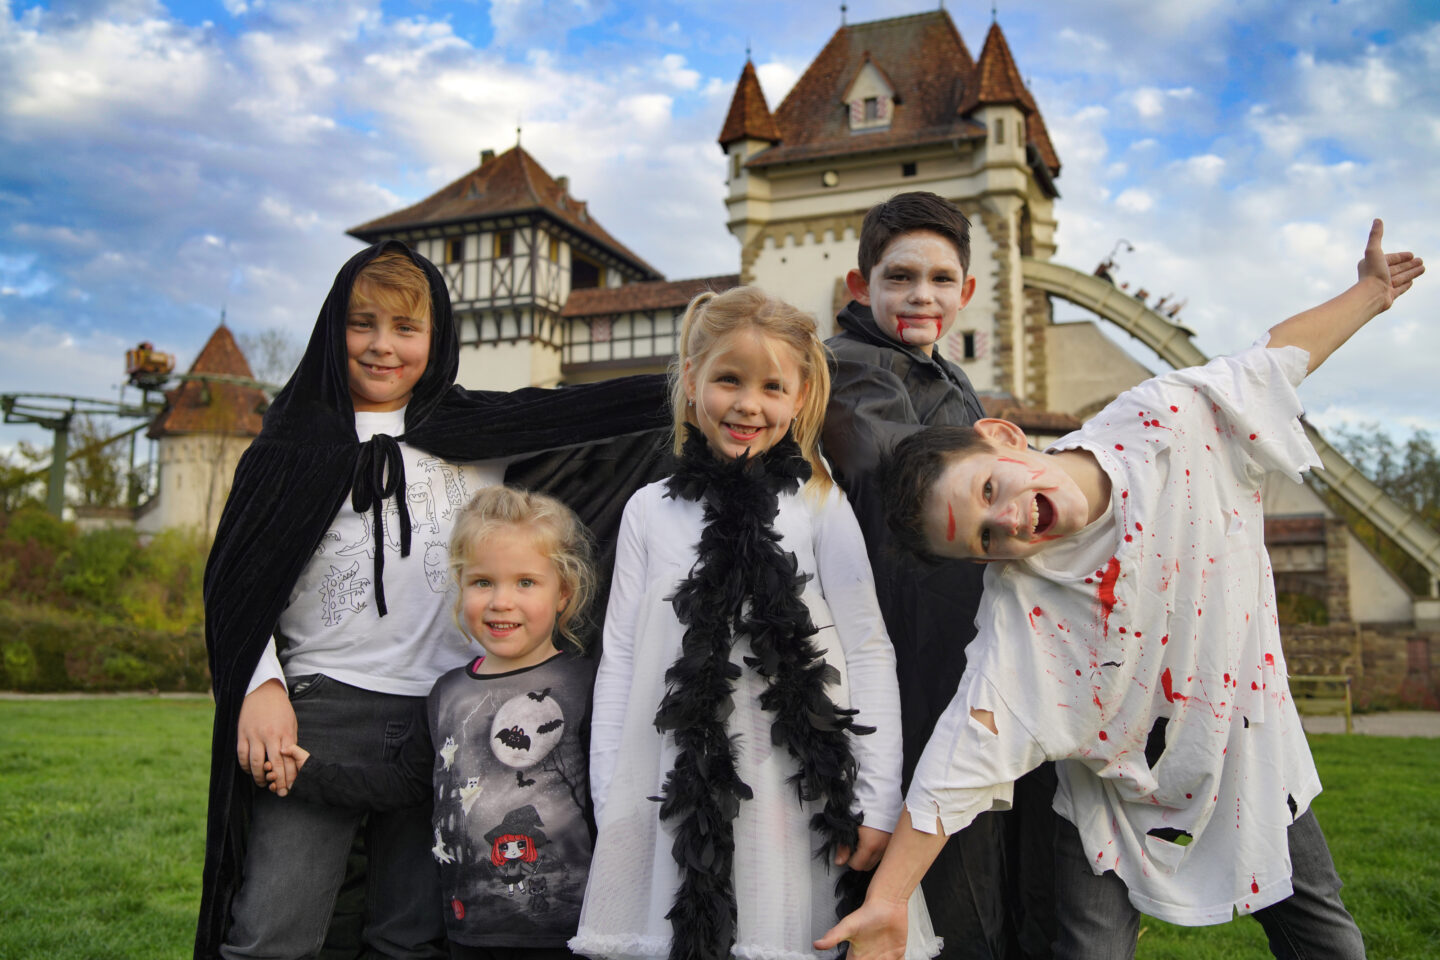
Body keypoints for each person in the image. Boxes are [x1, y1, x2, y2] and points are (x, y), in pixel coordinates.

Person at [816, 220, 1424, 960]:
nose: (1008, 522)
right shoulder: (1022, 612)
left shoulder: (1164, 427)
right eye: (984, 540)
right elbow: (955, 764)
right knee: (1091, 950)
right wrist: (887, 901)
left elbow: (1274, 360)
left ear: (1004, 437)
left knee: (1326, 938)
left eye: (990, 490)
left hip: (1243, 747)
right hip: (1108, 797)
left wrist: (1369, 293)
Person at [197, 240, 670, 959]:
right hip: (318, 711)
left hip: (452, 714)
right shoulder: (289, 449)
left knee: (413, 934)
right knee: (273, 931)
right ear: (332, 329)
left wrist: (708, 378)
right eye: (362, 324)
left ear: (437, 335)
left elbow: (604, 414)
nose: (382, 346)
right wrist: (260, 688)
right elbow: (236, 583)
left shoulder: (480, 434)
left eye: (406, 328)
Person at [570, 286, 940, 960]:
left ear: (800, 399)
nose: (748, 404)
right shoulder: (648, 510)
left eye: (773, 387)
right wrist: (612, 801)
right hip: (675, 794)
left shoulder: (819, 504)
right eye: (729, 380)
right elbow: (620, 658)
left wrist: (879, 800)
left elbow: (867, 647)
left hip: (798, 799)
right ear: (691, 381)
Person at [823, 190, 1052, 958]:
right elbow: (903, 475)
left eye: (940, 279)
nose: (921, 295)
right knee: (957, 881)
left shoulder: (945, 375)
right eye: (900, 277)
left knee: (995, 857)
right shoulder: (852, 365)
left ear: (967, 291)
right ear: (861, 287)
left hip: (963, 644)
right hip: (913, 653)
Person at [266, 486, 601, 960]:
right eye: (482, 582)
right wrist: (311, 774)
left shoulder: (586, 685)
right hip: (468, 932)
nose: (501, 601)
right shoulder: (446, 694)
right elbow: (404, 784)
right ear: (461, 585)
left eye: (526, 582)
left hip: (566, 932)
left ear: (564, 592)